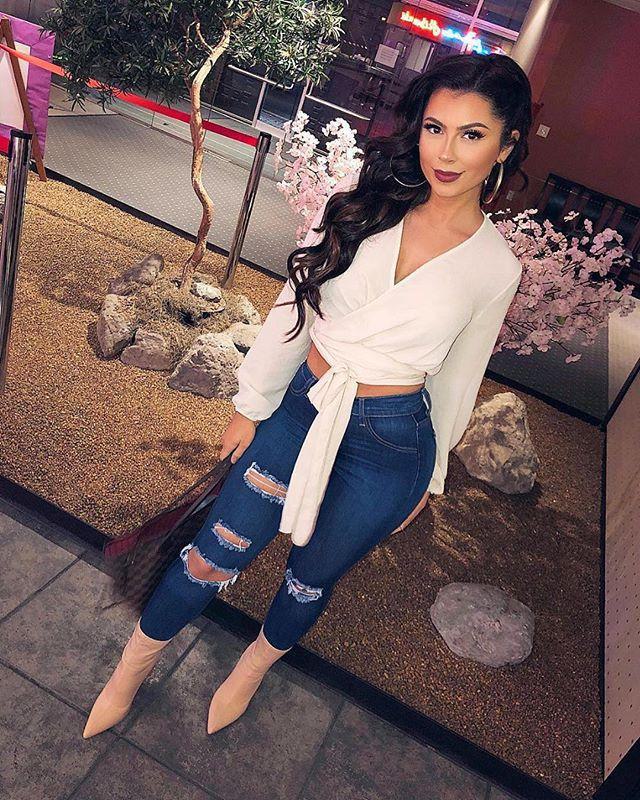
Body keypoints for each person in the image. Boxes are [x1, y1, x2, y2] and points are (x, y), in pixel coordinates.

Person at [83, 53, 531, 740]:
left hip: (391, 444)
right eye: (435, 127)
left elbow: (457, 379)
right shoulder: (366, 206)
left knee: (310, 578)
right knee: (213, 551)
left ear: (505, 146)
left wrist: (431, 480)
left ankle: (252, 669)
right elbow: (296, 304)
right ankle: (131, 668)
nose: (445, 152)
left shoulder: (496, 266)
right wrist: (252, 401)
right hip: (304, 407)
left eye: (472, 135)